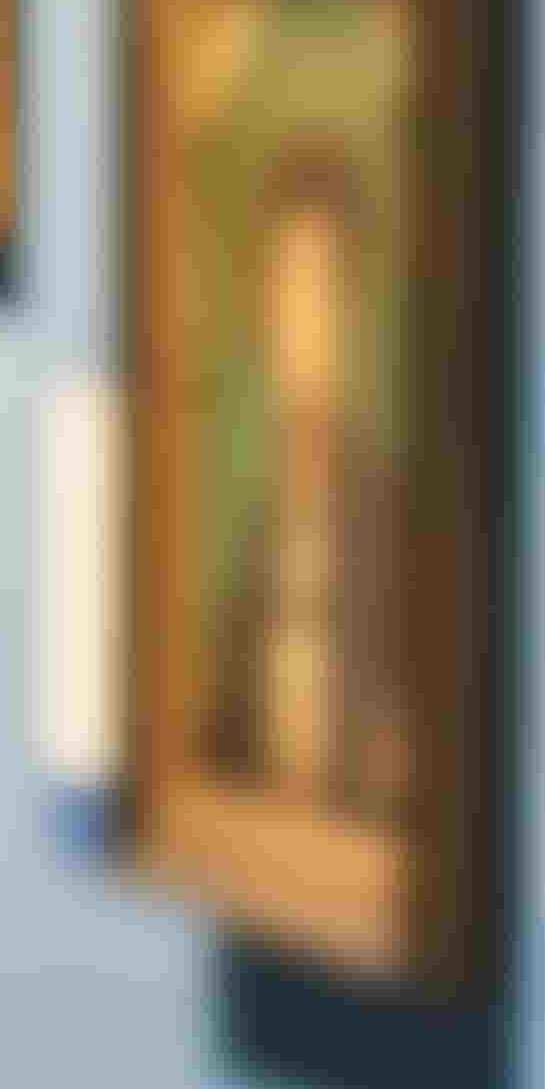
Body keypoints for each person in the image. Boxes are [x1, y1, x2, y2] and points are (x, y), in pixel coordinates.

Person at [199, 146, 405, 820]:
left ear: (355, 306)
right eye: (289, 288)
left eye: (324, 288)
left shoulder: (397, 520)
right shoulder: (246, 520)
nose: (305, 324)